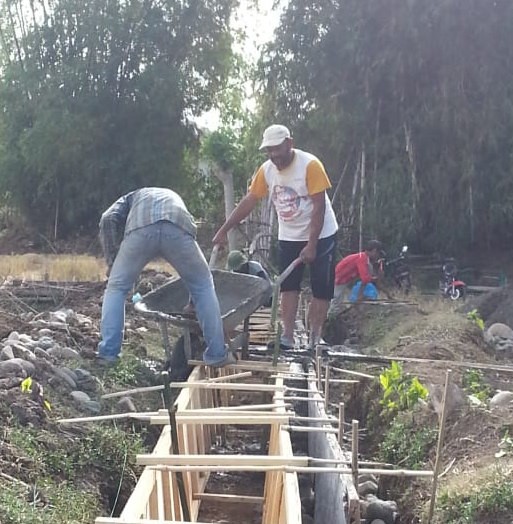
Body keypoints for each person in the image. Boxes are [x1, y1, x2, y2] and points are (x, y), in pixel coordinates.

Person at [213, 124, 338, 349]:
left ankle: (315, 339)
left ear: (290, 143)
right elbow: (250, 201)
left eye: (277, 149)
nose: (273, 155)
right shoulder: (267, 170)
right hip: (289, 235)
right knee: (288, 287)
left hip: (322, 234)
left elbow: (318, 207)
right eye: (269, 150)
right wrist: (224, 230)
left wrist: (312, 245)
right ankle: (287, 337)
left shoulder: (310, 165)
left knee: (322, 288)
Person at [97, 187, 234, 367]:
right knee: (202, 286)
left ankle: (108, 354)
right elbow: (191, 234)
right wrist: (193, 301)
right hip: (177, 228)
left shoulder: (129, 198)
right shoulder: (173, 197)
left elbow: (107, 218)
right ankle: (217, 355)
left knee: (116, 288)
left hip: (141, 230)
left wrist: (112, 262)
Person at [331, 240, 383, 312]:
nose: (378, 256)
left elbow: (365, 278)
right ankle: (329, 319)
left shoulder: (364, 258)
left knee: (341, 302)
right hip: (339, 279)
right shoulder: (362, 258)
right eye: (378, 253)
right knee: (336, 302)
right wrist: (373, 279)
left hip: (346, 279)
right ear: (374, 251)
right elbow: (365, 279)